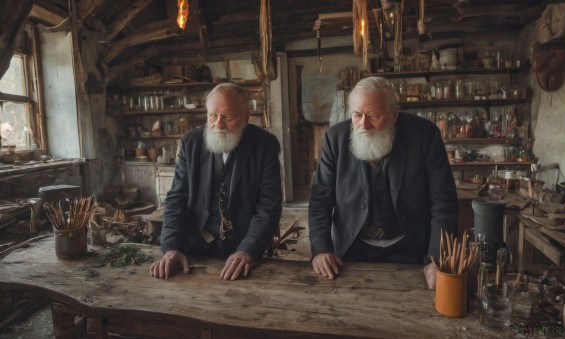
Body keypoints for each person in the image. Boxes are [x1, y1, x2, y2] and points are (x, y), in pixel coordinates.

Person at [308, 76, 458, 288]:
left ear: (394, 114)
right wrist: (321, 249)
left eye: (374, 116)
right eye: (357, 115)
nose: (364, 124)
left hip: (411, 248)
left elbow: (443, 202)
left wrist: (437, 259)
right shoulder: (335, 139)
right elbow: (320, 200)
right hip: (352, 250)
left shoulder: (425, 136)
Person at [150, 83, 282, 281]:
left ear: (246, 117)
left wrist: (248, 250)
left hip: (242, 248)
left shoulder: (265, 145)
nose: (218, 124)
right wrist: (171, 247)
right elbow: (177, 199)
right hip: (194, 246)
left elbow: (268, 207)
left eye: (227, 117)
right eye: (212, 115)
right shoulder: (191, 143)